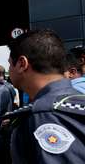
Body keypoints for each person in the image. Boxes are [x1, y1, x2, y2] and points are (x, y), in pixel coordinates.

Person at [5, 29, 85, 163]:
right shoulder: (75, 100)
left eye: (9, 63)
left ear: (22, 64)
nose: (9, 70)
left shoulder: (44, 115)